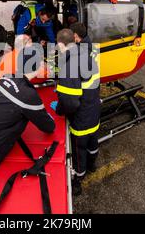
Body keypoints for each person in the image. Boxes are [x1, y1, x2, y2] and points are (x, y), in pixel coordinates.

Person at [0, 47, 56, 214]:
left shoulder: (6, 78)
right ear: (35, 68)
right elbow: (49, 127)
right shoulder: (28, 97)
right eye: (42, 62)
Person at [51, 27, 100, 196]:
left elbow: (70, 103)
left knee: (79, 151)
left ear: (60, 45)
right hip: (94, 111)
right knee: (93, 143)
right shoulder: (86, 54)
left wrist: (58, 109)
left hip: (82, 119)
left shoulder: (70, 65)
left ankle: (78, 178)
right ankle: (93, 165)